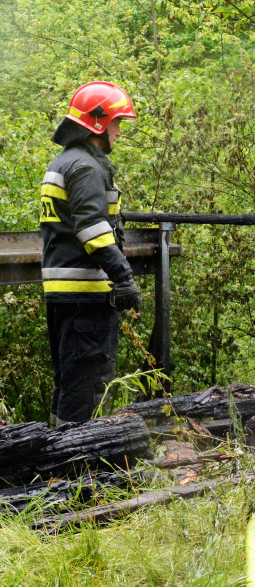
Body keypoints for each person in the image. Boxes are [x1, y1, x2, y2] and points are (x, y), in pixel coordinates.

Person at [41, 81, 143, 426]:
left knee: (68, 385)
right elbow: (91, 228)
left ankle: (55, 466)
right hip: (86, 298)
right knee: (86, 390)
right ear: (98, 123)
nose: (118, 132)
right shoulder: (85, 167)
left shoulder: (65, 161)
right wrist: (123, 276)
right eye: (117, 123)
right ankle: (78, 470)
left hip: (65, 297)